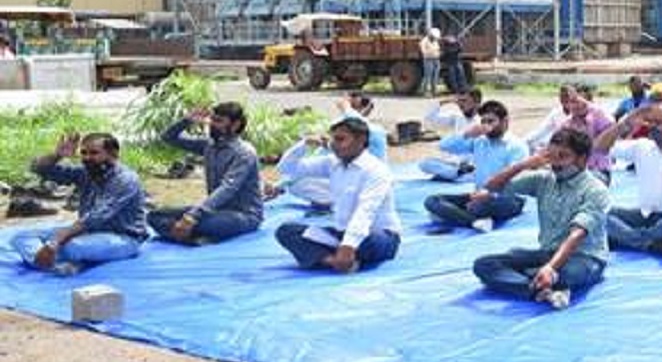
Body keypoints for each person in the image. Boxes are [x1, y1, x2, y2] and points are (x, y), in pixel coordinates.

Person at [472, 128, 611, 309]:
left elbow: (577, 235)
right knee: (484, 265)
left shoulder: (595, 190)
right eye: (552, 156)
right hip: (548, 253)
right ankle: (543, 289)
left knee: (566, 273)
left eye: (563, 156)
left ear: (582, 159)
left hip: (585, 258)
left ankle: (537, 281)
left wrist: (551, 268)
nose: (556, 163)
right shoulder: (544, 180)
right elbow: (492, 186)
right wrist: (523, 165)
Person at [274, 117, 401, 271]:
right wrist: (304, 146)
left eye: (340, 139)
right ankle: (333, 261)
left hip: (379, 237)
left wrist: (348, 246)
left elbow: (366, 211)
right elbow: (287, 168)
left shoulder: (376, 170)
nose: (334, 145)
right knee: (287, 231)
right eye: (333, 139)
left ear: (361, 140)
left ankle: (339, 254)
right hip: (341, 234)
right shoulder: (332, 162)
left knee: (368, 241)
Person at [12, 132, 147, 275]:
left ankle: (49, 260)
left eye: (94, 153)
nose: (87, 158)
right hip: (88, 232)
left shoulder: (125, 179)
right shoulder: (86, 172)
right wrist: (57, 155)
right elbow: (39, 169)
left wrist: (54, 243)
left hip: (124, 238)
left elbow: (96, 217)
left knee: (71, 246)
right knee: (21, 237)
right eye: (84, 153)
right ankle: (54, 265)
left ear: (113, 154)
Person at [593, 102, 662, 256]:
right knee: (596, 214)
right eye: (649, 121)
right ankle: (646, 243)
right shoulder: (641, 147)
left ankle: (624, 237)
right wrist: (625, 122)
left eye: (658, 123)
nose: (651, 126)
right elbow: (599, 147)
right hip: (645, 215)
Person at [151, 103, 262, 244]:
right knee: (154, 216)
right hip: (213, 211)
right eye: (212, 119)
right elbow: (167, 138)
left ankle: (187, 234)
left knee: (199, 224)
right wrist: (187, 121)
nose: (212, 124)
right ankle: (194, 238)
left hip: (244, 216)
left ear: (235, 125)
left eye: (219, 121)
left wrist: (192, 216)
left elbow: (227, 188)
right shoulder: (208, 145)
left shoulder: (245, 153)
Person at [423, 101, 530, 232]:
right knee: (432, 201)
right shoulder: (479, 141)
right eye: (483, 121)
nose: (486, 126)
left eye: (491, 121)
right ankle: (475, 221)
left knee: (477, 207)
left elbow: (514, 180)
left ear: (505, 122)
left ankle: (458, 215)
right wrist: (466, 134)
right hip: (478, 195)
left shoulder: (517, 146)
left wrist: (488, 194)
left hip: (506, 197)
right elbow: (443, 146)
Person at [418, 88, 483, 179]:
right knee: (424, 163)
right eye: (459, 101)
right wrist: (444, 101)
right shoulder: (457, 117)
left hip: (472, 165)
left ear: (477, 103)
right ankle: (457, 173)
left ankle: (454, 174)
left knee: (474, 172)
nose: (460, 104)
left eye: (464, 101)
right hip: (453, 164)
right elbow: (429, 121)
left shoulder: (483, 122)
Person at [524, 84, 575, 151]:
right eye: (562, 96)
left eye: (567, 96)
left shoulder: (579, 112)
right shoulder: (556, 113)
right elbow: (541, 129)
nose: (565, 99)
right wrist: (524, 141)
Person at [419, 27, 442, 97]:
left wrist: (438, 53)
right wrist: (431, 52)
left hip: (436, 59)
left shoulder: (435, 40)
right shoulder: (424, 41)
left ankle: (434, 91)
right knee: (428, 76)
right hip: (428, 60)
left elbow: (438, 48)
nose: (434, 38)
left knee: (435, 76)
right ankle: (425, 91)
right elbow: (423, 51)